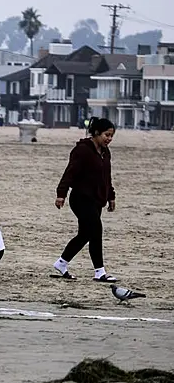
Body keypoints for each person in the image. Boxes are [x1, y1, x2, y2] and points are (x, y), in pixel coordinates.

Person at [53, 117, 118, 282]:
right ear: (96, 133)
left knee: (85, 234)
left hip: (97, 200)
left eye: (111, 136)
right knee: (96, 231)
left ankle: (62, 263)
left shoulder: (105, 152)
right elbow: (70, 172)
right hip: (81, 198)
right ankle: (100, 272)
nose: (109, 139)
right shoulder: (82, 150)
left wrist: (111, 196)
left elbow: (107, 177)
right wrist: (61, 194)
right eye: (107, 135)